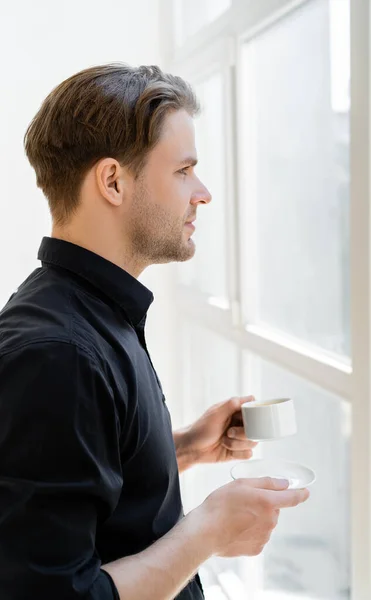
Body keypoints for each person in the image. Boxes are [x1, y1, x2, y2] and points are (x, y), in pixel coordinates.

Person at [0, 64, 310, 600]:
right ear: (113, 181)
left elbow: (82, 470)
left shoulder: (85, 312)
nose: (204, 192)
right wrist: (209, 530)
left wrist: (183, 449)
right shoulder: (58, 356)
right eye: (184, 170)